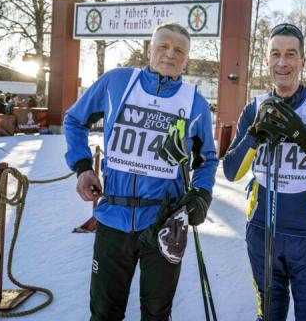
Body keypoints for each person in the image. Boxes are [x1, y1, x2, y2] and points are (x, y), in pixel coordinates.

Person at [63, 23, 218, 320]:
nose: (170, 54)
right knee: (104, 313)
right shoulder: (117, 82)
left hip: (165, 222)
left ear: (186, 59)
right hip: (114, 217)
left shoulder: (194, 102)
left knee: (157, 313)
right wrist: (83, 167)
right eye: (163, 46)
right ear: (149, 50)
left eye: (179, 51)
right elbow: (74, 120)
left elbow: (208, 158)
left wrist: (201, 193)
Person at [223, 23, 306, 321]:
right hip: (260, 230)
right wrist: (254, 135)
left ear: (303, 61)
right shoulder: (254, 107)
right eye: (275, 54)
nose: (283, 62)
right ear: (266, 60)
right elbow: (231, 171)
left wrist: (303, 137)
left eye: (290, 54)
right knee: (268, 314)